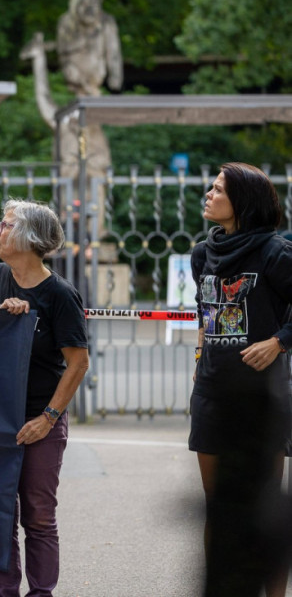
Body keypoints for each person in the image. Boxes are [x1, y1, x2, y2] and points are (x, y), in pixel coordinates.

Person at [0, 199, 89, 597]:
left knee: (38, 517)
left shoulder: (60, 294)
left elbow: (78, 364)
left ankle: (41, 593)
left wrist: (48, 419)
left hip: (39, 420)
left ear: (30, 237)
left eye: (6, 225)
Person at [189, 162, 292, 597]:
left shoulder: (275, 253)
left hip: (260, 398)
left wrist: (280, 342)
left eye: (218, 190)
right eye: (211, 188)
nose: (208, 195)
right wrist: (200, 358)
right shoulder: (202, 253)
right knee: (218, 508)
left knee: (263, 509)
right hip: (212, 393)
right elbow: (204, 313)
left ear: (243, 201)